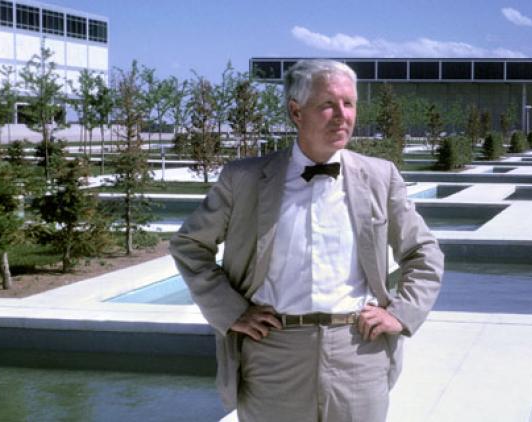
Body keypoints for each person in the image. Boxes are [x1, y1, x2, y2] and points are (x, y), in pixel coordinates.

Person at [169, 59, 444, 422]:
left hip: (358, 352)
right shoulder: (245, 179)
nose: (341, 115)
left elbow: (423, 252)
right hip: (272, 354)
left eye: (349, 104)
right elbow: (189, 244)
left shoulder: (380, 177)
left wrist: (401, 313)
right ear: (296, 111)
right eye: (328, 104)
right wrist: (231, 311)